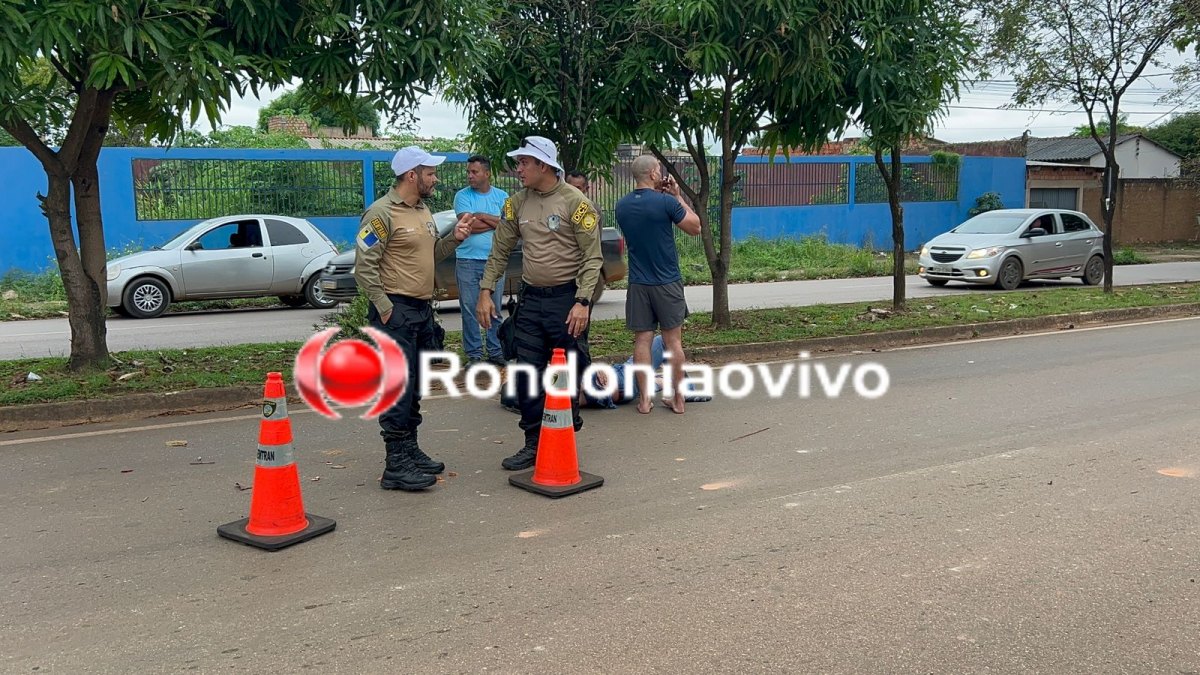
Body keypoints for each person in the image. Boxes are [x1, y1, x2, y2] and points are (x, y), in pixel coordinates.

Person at [476, 136, 603, 471]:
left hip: (566, 302)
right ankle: (533, 442)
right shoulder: (516, 203)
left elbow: (592, 259)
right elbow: (500, 250)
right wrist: (486, 291)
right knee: (526, 375)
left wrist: (583, 301)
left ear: (543, 165)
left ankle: (563, 437)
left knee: (565, 375)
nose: (518, 169)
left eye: (524, 163)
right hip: (531, 302)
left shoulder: (576, 203)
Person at [355, 146, 473, 492]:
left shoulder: (423, 211)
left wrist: (455, 239)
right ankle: (396, 464)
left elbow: (431, 255)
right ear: (411, 175)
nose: (434, 179)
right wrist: (385, 307)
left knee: (415, 385)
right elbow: (364, 267)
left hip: (420, 312)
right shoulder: (380, 214)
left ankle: (410, 450)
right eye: (430, 173)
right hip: (396, 311)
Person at [614, 154, 701, 414]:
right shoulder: (666, 202)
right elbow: (695, 227)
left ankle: (644, 400)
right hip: (667, 281)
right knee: (673, 342)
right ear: (653, 174)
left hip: (639, 282)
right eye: (659, 170)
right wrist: (677, 195)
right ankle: (678, 399)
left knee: (642, 340)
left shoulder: (621, 206)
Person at [453, 155, 508, 366]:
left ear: (487, 173)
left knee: (494, 308)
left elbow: (508, 226)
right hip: (467, 260)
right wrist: (495, 221)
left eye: (474, 172)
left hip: (494, 261)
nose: (470, 176)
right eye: (468, 172)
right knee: (469, 309)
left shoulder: (502, 196)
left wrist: (481, 215)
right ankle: (474, 355)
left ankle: (495, 351)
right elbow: (467, 225)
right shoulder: (462, 196)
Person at [580, 335, 712, 409]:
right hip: (618, 381)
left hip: (621, 391)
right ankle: (686, 390)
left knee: (649, 383)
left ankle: (664, 381)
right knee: (663, 341)